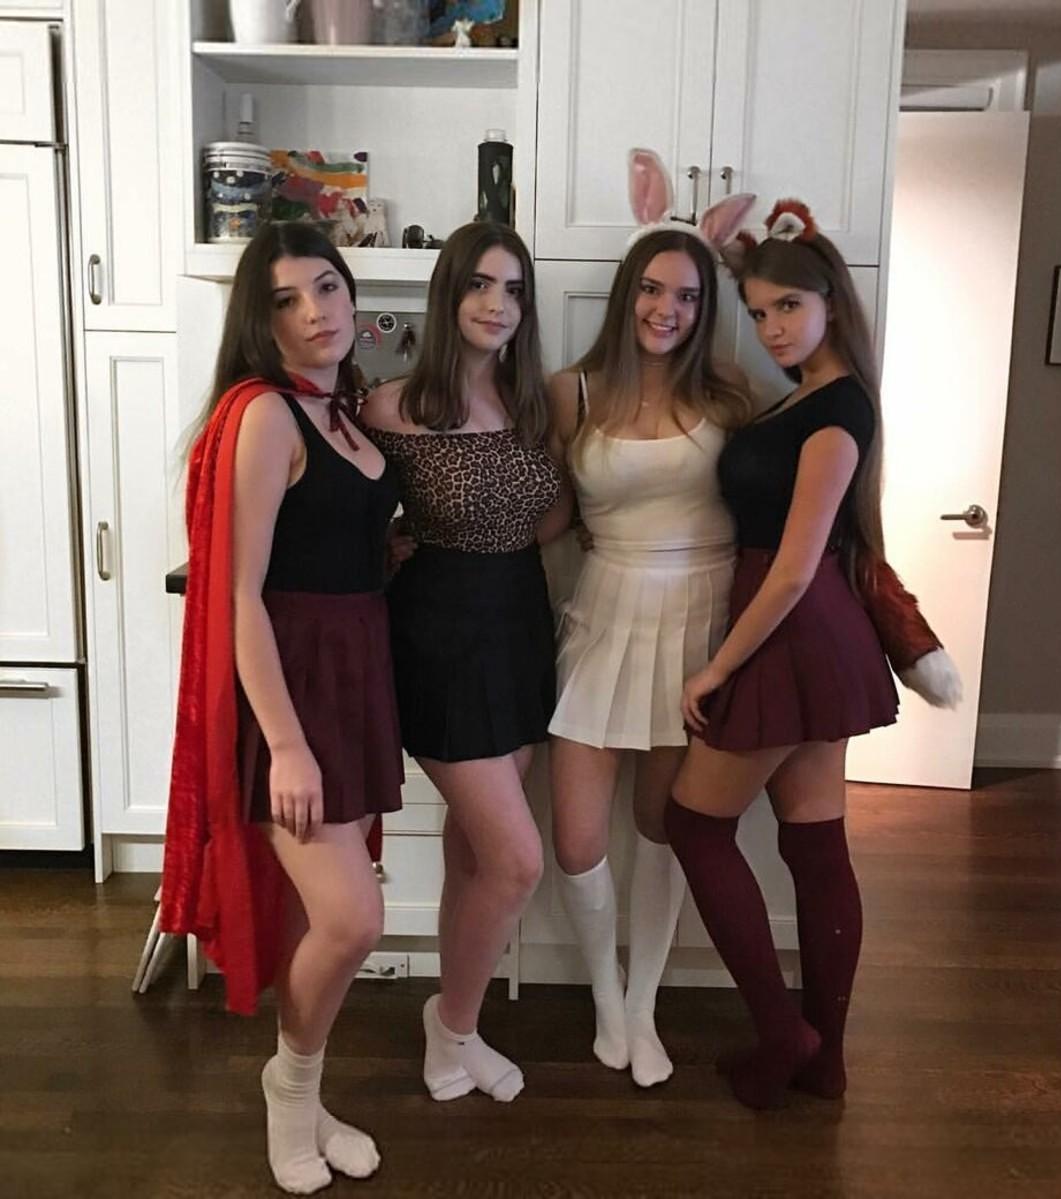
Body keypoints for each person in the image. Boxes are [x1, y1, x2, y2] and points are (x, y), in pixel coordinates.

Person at [160, 221, 403, 1192]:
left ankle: (305, 1093)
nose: (316, 311)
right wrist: (288, 745)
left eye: (328, 286)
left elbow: (338, 544)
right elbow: (240, 595)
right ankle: (290, 1088)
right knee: (353, 918)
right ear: (259, 322)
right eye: (287, 300)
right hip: (291, 690)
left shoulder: (341, 410)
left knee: (323, 916)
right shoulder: (265, 413)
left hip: (353, 674)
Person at [665, 199, 899, 1110]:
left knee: (695, 825)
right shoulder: (809, 398)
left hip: (788, 625)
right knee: (813, 842)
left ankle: (783, 1033)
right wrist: (723, 244)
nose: (770, 328)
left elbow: (796, 566)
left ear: (831, 301)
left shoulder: (836, 410)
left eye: (787, 307)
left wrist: (719, 667)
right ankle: (823, 1058)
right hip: (808, 630)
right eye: (758, 311)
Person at [546, 150, 756, 1086]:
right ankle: (604, 993)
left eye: (688, 295)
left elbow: (775, 501)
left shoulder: (729, 395)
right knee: (577, 838)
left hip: (698, 624)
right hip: (601, 611)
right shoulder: (572, 390)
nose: (668, 309)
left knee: (663, 825)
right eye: (653, 289)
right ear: (626, 290)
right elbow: (548, 513)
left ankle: (644, 1004)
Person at [362, 221, 566, 1103]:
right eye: (480, 284)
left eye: (514, 289)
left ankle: (457, 1027)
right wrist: (388, 547)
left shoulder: (535, 407)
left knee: (475, 855)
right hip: (438, 640)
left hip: (519, 627)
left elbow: (552, 516)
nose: (497, 304)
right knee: (517, 860)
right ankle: (450, 1029)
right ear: (448, 294)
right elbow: (339, 520)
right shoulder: (389, 408)